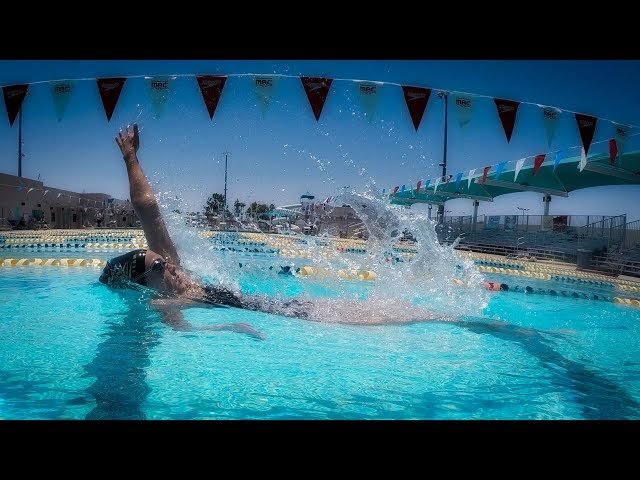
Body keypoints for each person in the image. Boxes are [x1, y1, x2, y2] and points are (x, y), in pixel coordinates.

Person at [99, 124, 451, 336]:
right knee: (383, 321)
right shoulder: (164, 302)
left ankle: (452, 320)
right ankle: (458, 323)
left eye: (163, 259)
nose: (170, 265)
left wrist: (131, 158)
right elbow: (186, 331)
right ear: (143, 284)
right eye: (159, 267)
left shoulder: (172, 270)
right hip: (271, 313)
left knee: (387, 312)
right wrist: (231, 328)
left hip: (278, 304)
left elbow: (148, 209)